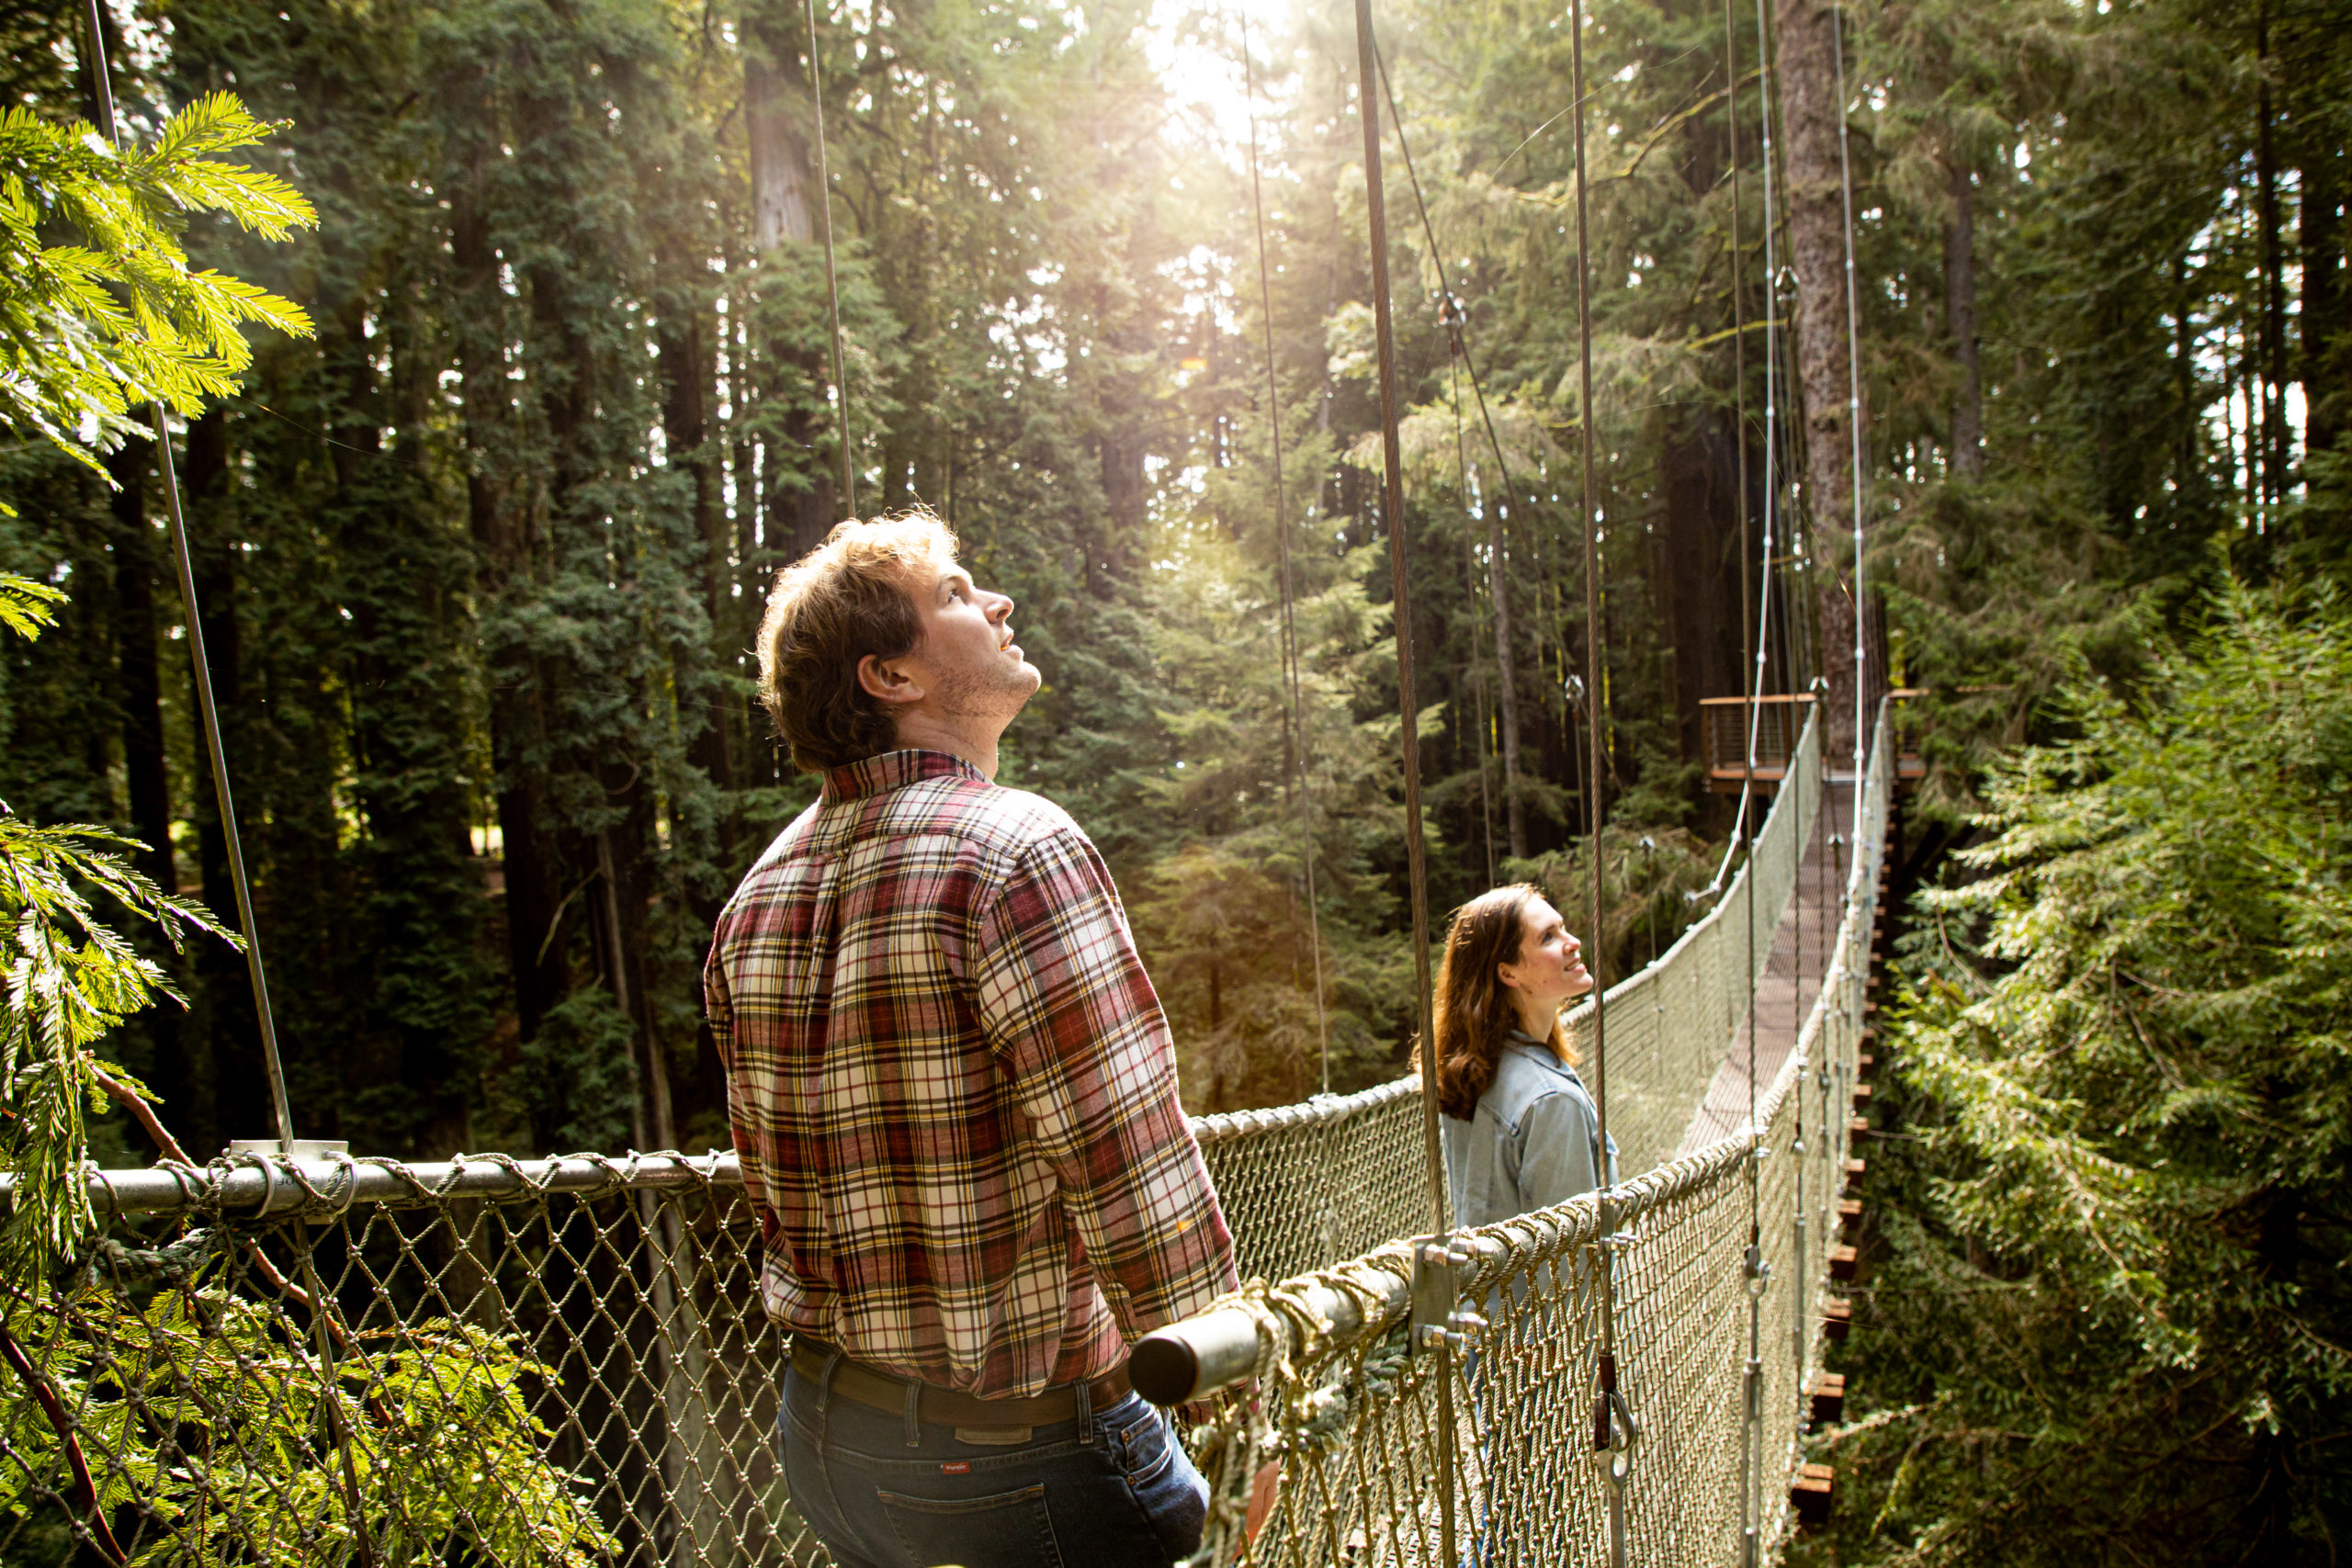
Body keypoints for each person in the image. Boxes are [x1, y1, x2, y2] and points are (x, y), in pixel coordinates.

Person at [704, 511, 1238, 1568]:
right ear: (888, 677)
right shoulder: (1016, 850)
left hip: (823, 1443)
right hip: (1019, 1460)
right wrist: (1230, 1380)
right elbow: (1126, 1157)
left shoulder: (753, 900)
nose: (996, 603)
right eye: (953, 595)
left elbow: (772, 1188)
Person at [1427, 885, 1619, 1228]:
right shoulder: (1551, 1101)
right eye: (1548, 937)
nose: (1572, 941)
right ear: (1508, 973)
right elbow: (1571, 1263)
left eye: (1561, 928)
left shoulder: (1470, 1072)